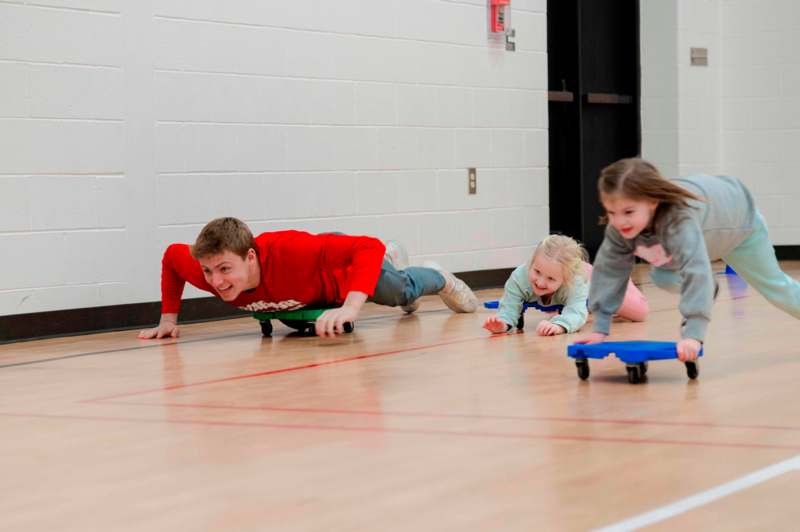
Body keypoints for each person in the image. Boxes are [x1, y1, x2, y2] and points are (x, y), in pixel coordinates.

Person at [577, 157, 800, 361]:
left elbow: (696, 270)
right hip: (702, 233)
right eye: (611, 212)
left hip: (740, 228)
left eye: (628, 212)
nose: (619, 221)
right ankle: (708, 286)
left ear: (652, 202)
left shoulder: (679, 221)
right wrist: (600, 328)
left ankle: (708, 287)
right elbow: (609, 272)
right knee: (664, 277)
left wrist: (693, 335)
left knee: (776, 288)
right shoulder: (620, 228)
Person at [138, 217, 479, 339]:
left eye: (225, 269)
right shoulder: (210, 272)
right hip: (310, 292)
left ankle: (437, 275)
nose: (217, 281)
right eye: (209, 271)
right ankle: (389, 261)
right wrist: (169, 318)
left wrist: (351, 306)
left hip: (339, 273)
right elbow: (171, 256)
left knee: (400, 293)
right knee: (302, 327)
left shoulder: (292, 249)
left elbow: (366, 245)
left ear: (251, 256)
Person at [483, 234, 648, 336]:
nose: (540, 282)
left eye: (550, 278)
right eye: (537, 271)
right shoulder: (519, 277)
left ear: (565, 279)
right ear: (532, 261)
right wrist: (502, 323)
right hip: (573, 281)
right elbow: (509, 307)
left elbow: (576, 312)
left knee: (639, 312)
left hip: (595, 279)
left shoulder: (576, 281)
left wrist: (560, 325)